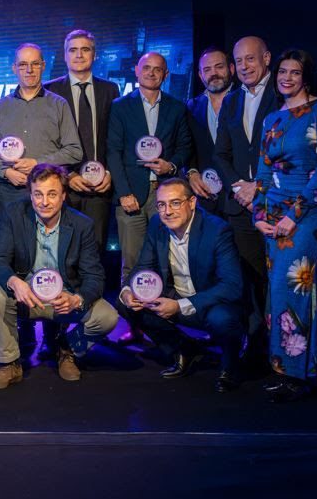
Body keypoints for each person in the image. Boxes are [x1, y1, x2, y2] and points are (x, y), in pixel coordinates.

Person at [252, 49, 317, 402]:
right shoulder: (271, 119)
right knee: (277, 291)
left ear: (305, 77)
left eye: (294, 72)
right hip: (273, 214)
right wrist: (259, 215)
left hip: (309, 212)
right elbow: (263, 171)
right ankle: (282, 368)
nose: (286, 78)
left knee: (298, 289)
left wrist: (295, 214)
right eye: (282, 72)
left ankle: (302, 374)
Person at [0, 164, 118, 389]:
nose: (44, 202)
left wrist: (76, 299)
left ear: (63, 196)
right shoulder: (15, 213)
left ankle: (67, 350)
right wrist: (14, 282)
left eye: (52, 194)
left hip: (64, 298)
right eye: (38, 194)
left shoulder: (81, 225)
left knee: (107, 317)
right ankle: (11, 363)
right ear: (30, 194)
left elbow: (94, 276)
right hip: (27, 295)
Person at [120, 178, 245, 393]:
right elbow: (143, 266)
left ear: (192, 202)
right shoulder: (157, 224)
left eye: (175, 203)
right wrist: (128, 290)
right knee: (125, 303)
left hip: (209, 301)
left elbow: (232, 285)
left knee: (222, 319)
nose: (168, 211)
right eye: (161, 205)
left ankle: (230, 365)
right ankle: (184, 350)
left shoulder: (217, 230)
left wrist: (180, 306)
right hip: (175, 294)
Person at [107, 51, 192, 344]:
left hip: (166, 195)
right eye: (147, 68)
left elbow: (185, 147)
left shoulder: (177, 108)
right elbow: (113, 152)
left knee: (165, 262)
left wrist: (171, 166)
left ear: (166, 75)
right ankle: (136, 327)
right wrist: (123, 193)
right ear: (136, 70)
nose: (152, 73)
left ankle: (165, 331)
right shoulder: (120, 106)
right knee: (131, 263)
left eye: (158, 69)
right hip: (132, 195)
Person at [213, 36, 281, 365]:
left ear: (266, 58)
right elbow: (220, 154)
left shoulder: (282, 94)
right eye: (239, 61)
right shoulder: (231, 101)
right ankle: (255, 342)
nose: (244, 66)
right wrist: (241, 189)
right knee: (249, 279)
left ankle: (280, 343)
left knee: (276, 278)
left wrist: (259, 187)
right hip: (240, 207)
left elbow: (290, 154)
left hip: (277, 203)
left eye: (250, 59)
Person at [0, 43, 83, 218]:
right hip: (9, 194)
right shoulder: (1, 106)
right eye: (23, 65)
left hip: (48, 193)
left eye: (35, 64)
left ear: (43, 66)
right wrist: (6, 172)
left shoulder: (59, 104)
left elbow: (74, 151)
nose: (29, 70)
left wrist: (37, 163)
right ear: (14, 68)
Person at [45, 29, 120, 249]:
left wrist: (109, 172)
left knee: (94, 249)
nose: (79, 55)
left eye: (85, 49)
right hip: (61, 184)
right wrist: (67, 174)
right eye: (73, 50)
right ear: (65, 55)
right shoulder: (49, 90)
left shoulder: (110, 89)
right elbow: (46, 141)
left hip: (100, 186)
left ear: (94, 55)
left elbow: (115, 138)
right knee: (62, 249)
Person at [185, 47, 234, 215]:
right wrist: (191, 173)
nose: (213, 73)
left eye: (219, 67)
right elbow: (188, 147)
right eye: (207, 69)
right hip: (206, 196)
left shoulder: (245, 101)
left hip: (239, 196)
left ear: (231, 69)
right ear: (200, 75)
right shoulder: (191, 107)